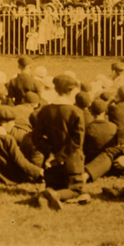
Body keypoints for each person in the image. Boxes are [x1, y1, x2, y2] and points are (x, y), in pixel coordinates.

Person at [32, 74, 89, 210]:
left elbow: (36, 137)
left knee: (52, 185)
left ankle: (46, 195)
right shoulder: (76, 112)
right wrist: (61, 157)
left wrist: (50, 153)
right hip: (71, 163)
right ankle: (54, 195)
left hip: (52, 165)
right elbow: (77, 141)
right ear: (70, 91)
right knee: (77, 191)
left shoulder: (45, 111)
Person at [0, 106, 44, 186]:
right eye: (12, 122)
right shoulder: (8, 139)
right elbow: (20, 161)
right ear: (4, 123)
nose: (13, 124)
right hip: (8, 177)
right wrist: (39, 172)